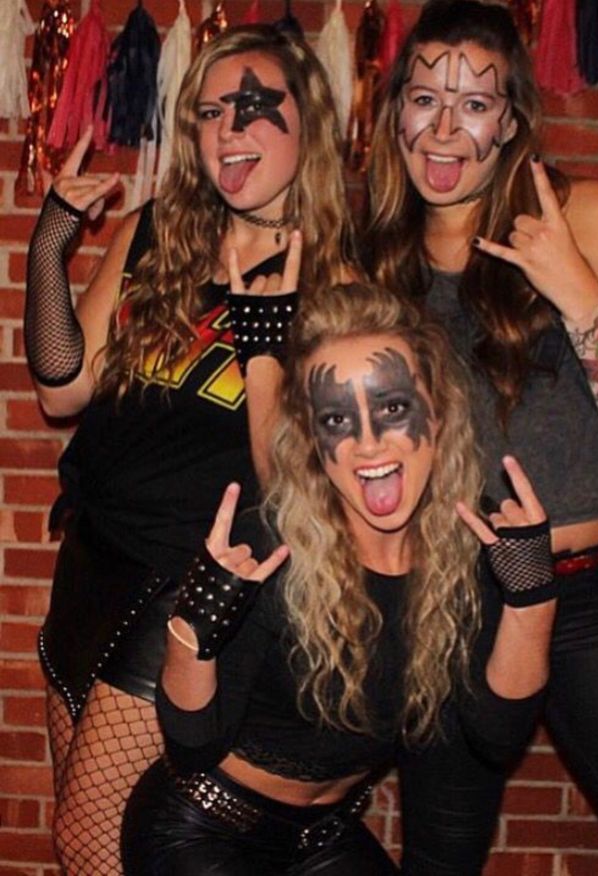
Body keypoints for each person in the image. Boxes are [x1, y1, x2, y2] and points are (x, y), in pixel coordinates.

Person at [364, 1, 598, 873]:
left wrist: (575, 291)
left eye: (475, 104)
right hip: (452, 602)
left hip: (590, 600)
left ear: (511, 123)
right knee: (439, 861)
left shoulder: (587, 214)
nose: (445, 127)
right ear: (397, 112)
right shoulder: (379, 256)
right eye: (425, 98)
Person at [25, 25, 355, 875]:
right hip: (93, 557)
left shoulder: (339, 277)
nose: (226, 131)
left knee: (91, 841)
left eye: (253, 110)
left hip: (188, 579)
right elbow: (62, 387)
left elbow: (294, 479)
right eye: (209, 112)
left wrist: (264, 339)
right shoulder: (157, 231)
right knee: (85, 832)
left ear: (308, 125)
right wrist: (52, 245)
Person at [120, 279, 558, 874]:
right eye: (335, 418)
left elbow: (497, 735)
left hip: (321, 838)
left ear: (441, 409)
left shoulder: (468, 545)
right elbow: (193, 745)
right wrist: (194, 629)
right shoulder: (273, 545)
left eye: (393, 407)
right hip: (202, 831)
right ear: (311, 439)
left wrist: (531, 598)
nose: (368, 442)